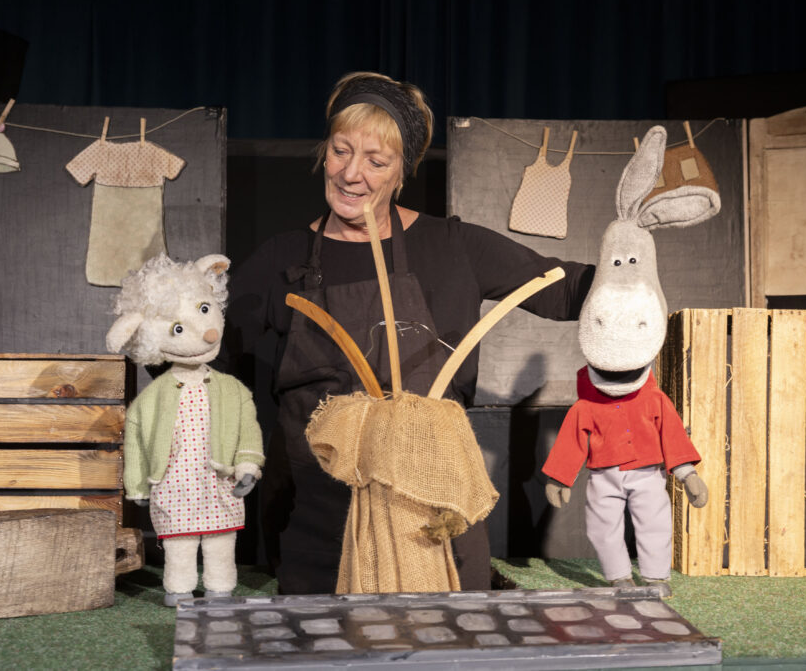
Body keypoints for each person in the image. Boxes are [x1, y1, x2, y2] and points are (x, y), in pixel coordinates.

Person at [216, 71, 595, 595]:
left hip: (433, 510)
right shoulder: (281, 259)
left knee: (450, 631)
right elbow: (207, 353)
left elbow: (564, 289)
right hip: (319, 517)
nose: (351, 174)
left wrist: (629, 267)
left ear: (402, 173)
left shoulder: (453, 247)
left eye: (376, 161)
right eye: (341, 151)